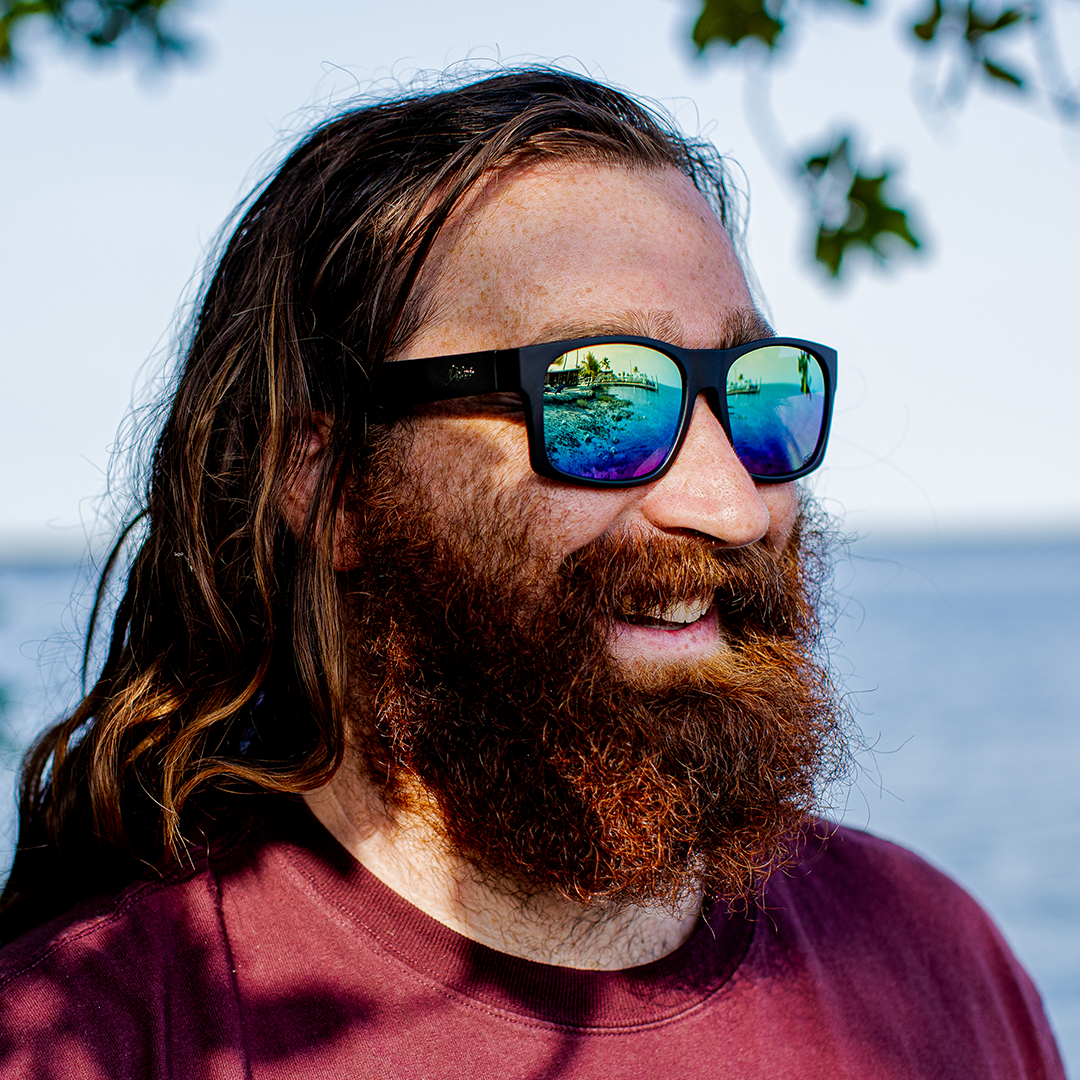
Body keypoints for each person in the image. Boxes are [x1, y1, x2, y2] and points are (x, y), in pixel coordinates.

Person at [0, 68, 1064, 1079]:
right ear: (327, 487)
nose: (732, 504)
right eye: (598, 398)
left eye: (758, 394)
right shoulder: (100, 1037)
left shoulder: (939, 965)